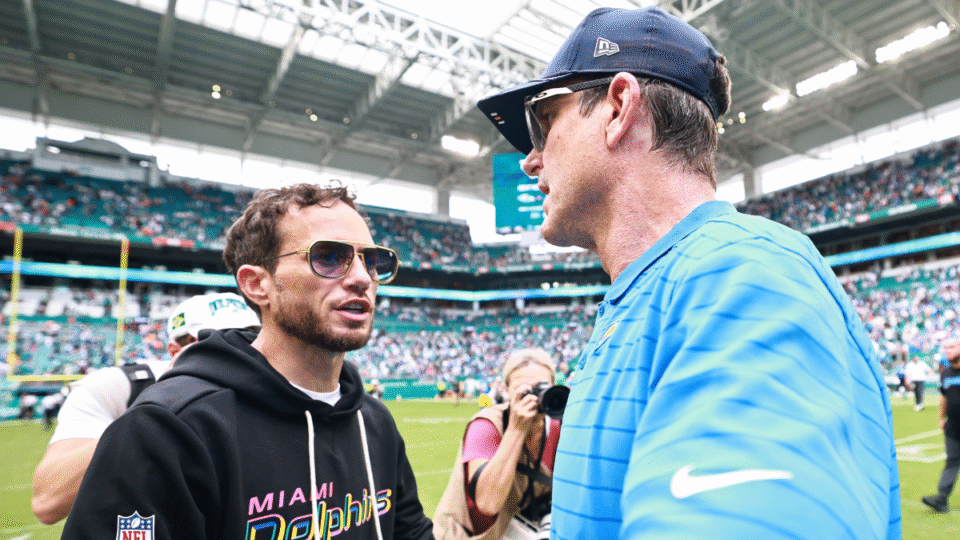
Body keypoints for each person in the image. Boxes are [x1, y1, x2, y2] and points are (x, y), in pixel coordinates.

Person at [477, 6, 900, 539]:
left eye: (541, 122)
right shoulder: (661, 290)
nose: (530, 160)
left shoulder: (742, 274)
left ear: (618, 107)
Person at [59, 182, 433, 540]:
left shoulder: (373, 420)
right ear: (256, 284)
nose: (361, 278)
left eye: (373, 260)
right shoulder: (170, 428)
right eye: (330, 258)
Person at [31, 292, 261, 525]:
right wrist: (160, 405)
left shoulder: (274, 390)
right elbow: (48, 501)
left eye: (252, 337)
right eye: (221, 339)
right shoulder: (118, 387)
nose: (241, 349)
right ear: (175, 350)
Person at [434, 348, 561, 540]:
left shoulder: (561, 429)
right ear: (507, 390)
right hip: (467, 534)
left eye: (542, 388)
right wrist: (516, 430)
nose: (536, 398)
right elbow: (487, 504)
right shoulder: (487, 425)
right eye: (525, 390)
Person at [922, 337, 960, 513]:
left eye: (952, 347)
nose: (948, 350)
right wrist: (940, 418)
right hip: (952, 429)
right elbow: (943, 397)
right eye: (946, 348)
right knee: (951, 463)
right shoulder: (945, 373)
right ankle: (941, 500)